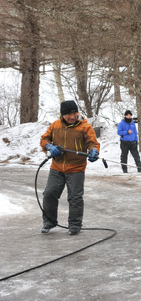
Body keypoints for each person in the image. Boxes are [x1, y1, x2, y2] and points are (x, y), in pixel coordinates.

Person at [39, 100, 100, 235]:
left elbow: (93, 143)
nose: (71, 117)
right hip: (57, 167)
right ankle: (49, 222)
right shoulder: (55, 125)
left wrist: (94, 151)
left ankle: (74, 225)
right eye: (68, 114)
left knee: (75, 198)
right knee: (49, 193)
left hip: (76, 168)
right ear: (62, 115)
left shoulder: (85, 127)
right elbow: (44, 139)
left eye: (74, 113)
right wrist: (49, 146)